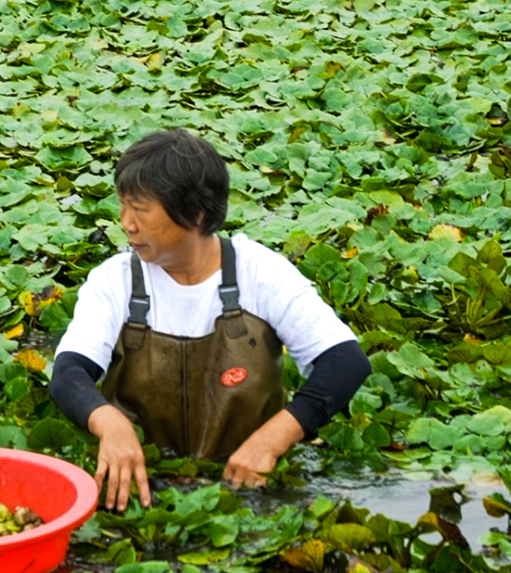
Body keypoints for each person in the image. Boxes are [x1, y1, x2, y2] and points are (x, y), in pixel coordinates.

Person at [49, 129, 371, 511]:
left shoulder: (261, 273)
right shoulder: (115, 280)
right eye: (123, 206)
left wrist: (274, 439)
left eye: (141, 210)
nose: (126, 223)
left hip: (251, 486)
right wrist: (108, 422)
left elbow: (346, 362)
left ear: (196, 214)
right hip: (145, 486)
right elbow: (69, 374)